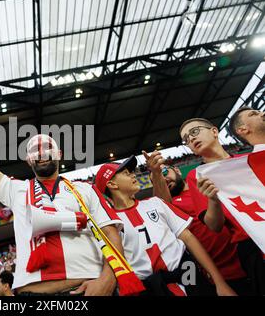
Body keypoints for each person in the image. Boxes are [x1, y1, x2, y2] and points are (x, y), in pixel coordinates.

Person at [0, 132, 132, 296]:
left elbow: (110, 233)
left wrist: (108, 278)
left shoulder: (85, 189)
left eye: (47, 148)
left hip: (87, 287)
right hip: (32, 292)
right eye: (34, 152)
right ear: (28, 160)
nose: (41, 154)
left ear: (59, 154)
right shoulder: (16, 189)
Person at [95, 155, 236, 296]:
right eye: (127, 173)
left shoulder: (157, 203)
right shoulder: (108, 224)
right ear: (112, 185)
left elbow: (189, 239)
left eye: (132, 172)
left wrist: (219, 282)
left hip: (188, 274)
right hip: (149, 289)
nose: (134, 175)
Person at [144, 150, 250, 294]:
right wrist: (156, 173)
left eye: (165, 173)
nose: (164, 180)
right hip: (223, 275)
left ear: (177, 170)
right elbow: (162, 202)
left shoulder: (205, 185)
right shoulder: (170, 207)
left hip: (250, 255)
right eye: (156, 181)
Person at [180, 117, 265, 295]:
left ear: (214, 131)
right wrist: (213, 200)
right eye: (186, 139)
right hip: (252, 247)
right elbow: (214, 226)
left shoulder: (248, 159)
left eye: (194, 132)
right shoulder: (197, 176)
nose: (191, 139)